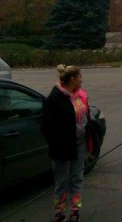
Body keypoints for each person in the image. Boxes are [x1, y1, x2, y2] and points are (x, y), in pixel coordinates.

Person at [41, 65, 90, 222]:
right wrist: (57, 143)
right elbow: (46, 127)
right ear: (72, 79)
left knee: (77, 179)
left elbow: (86, 118)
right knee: (62, 181)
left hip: (80, 144)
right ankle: (59, 212)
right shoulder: (55, 99)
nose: (82, 80)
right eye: (80, 77)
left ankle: (75, 211)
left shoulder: (80, 95)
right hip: (62, 148)